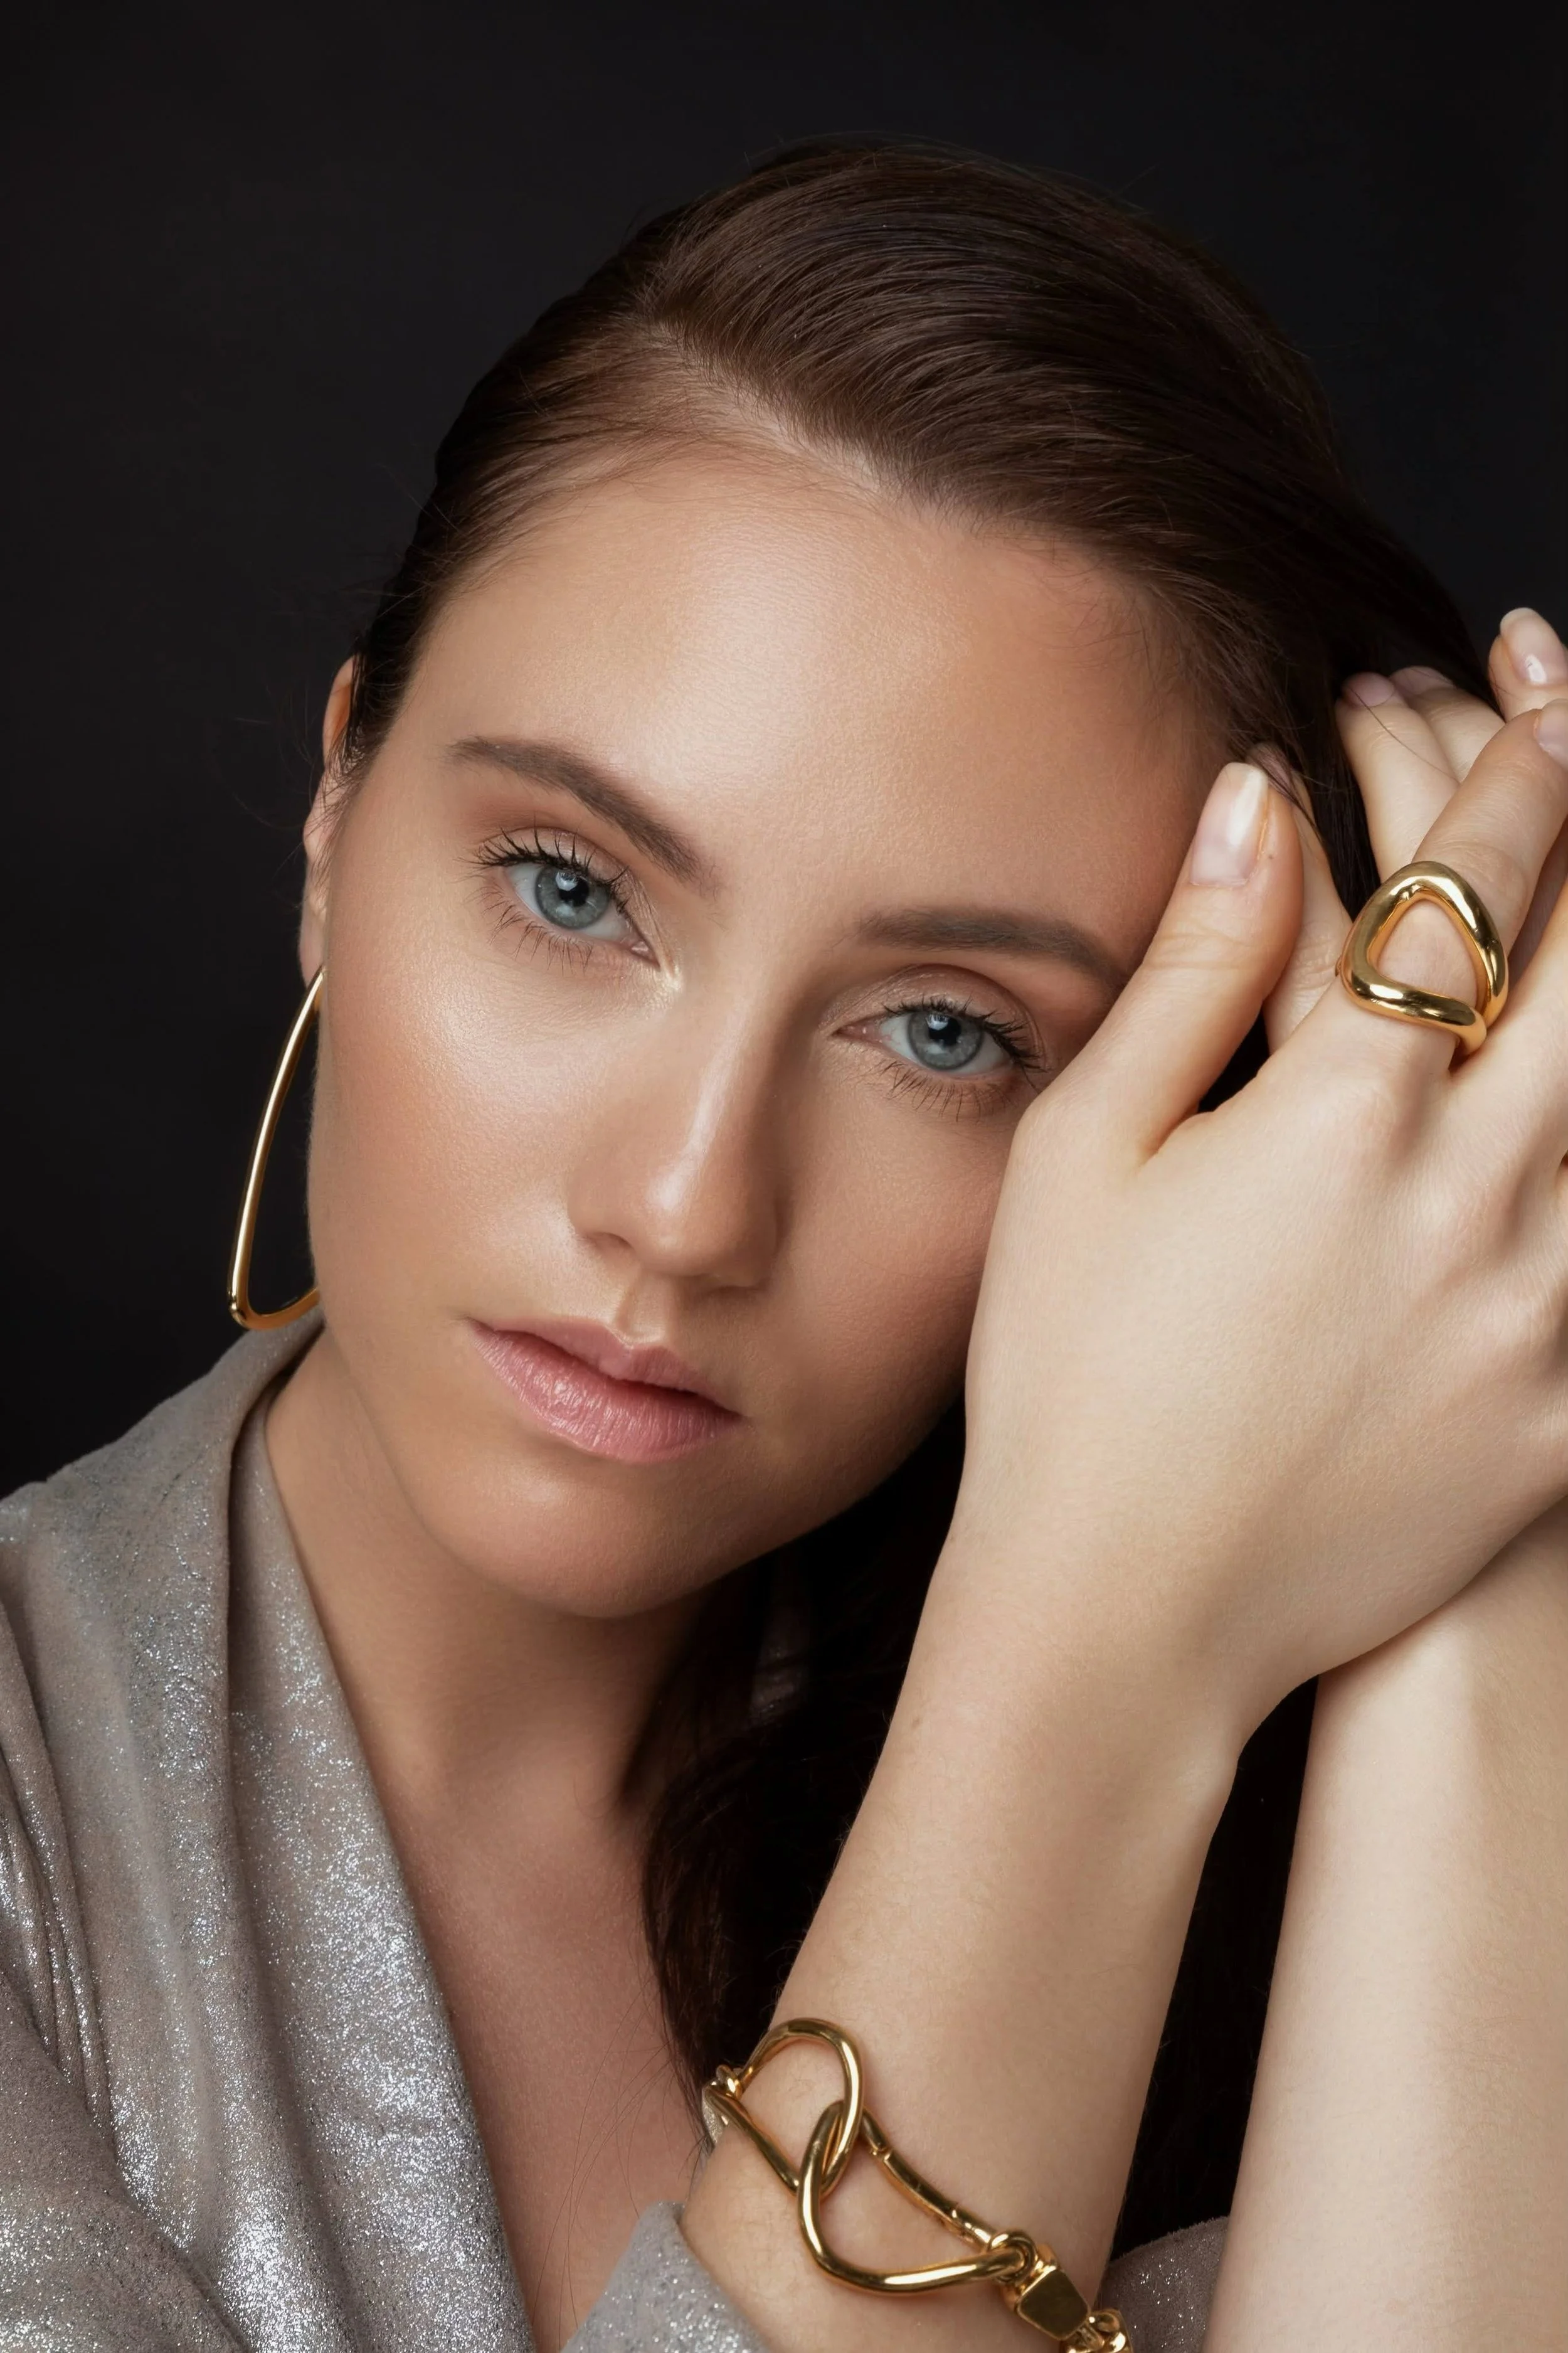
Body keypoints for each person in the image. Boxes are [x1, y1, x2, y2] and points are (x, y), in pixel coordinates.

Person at [3, 141, 1564, 2353]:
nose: (684, 1204)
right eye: (572, 890)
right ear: (340, 819)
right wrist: (1102, 1662)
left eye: (943, 1030)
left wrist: (1483, 1467)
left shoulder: (1347, 1842)